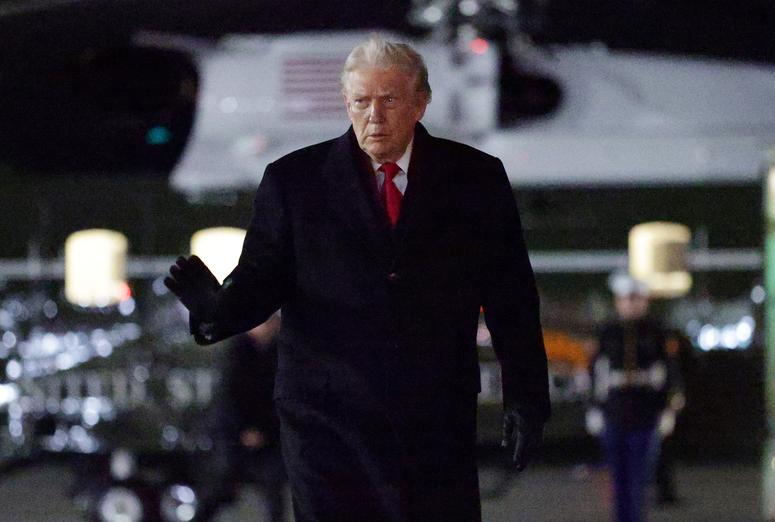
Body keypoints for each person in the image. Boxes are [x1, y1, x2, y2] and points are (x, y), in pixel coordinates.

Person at [165, 34, 550, 522]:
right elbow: (263, 278)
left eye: (389, 100)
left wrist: (527, 395)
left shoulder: (476, 179)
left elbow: (511, 296)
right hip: (327, 420)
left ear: (421, 102)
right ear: (346, 103)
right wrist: (219, 312)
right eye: (362, 102)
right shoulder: (294, 181)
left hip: (433, 416)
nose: (374, 116)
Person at [586, 272, 678, 522]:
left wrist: (668, 409)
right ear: (618, 301)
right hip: (614, 410)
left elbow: (670, 372)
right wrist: (593, 408)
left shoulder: (657, 331)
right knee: (618, 478)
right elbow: (594, 372)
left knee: (639, 478)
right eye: (626, 299)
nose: (631, 304)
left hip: (645, 411)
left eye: (636, 299)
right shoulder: (607, 331)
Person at [196, 313, 287, 522]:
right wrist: (242, 432)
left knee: (274, 488)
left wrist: (264, 430)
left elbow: (280, 400)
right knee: (221, 485)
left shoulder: (279, 354)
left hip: (268, 438)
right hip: (235, 437)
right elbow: (228, 401)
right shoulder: (237, 354)